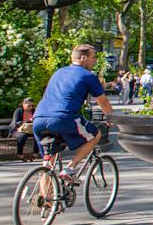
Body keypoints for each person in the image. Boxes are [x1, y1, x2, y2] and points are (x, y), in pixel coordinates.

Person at [33, 45, 114, 181]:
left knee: (47, 165)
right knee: (96, 134)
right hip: (63, 117)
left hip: (39, 118)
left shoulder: (58, 72)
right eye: (93, 57)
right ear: (83, 58)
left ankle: (47, 200)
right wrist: (112, 118)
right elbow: (103, 102)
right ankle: (70, 168)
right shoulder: (88, 76)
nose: (95, 61)